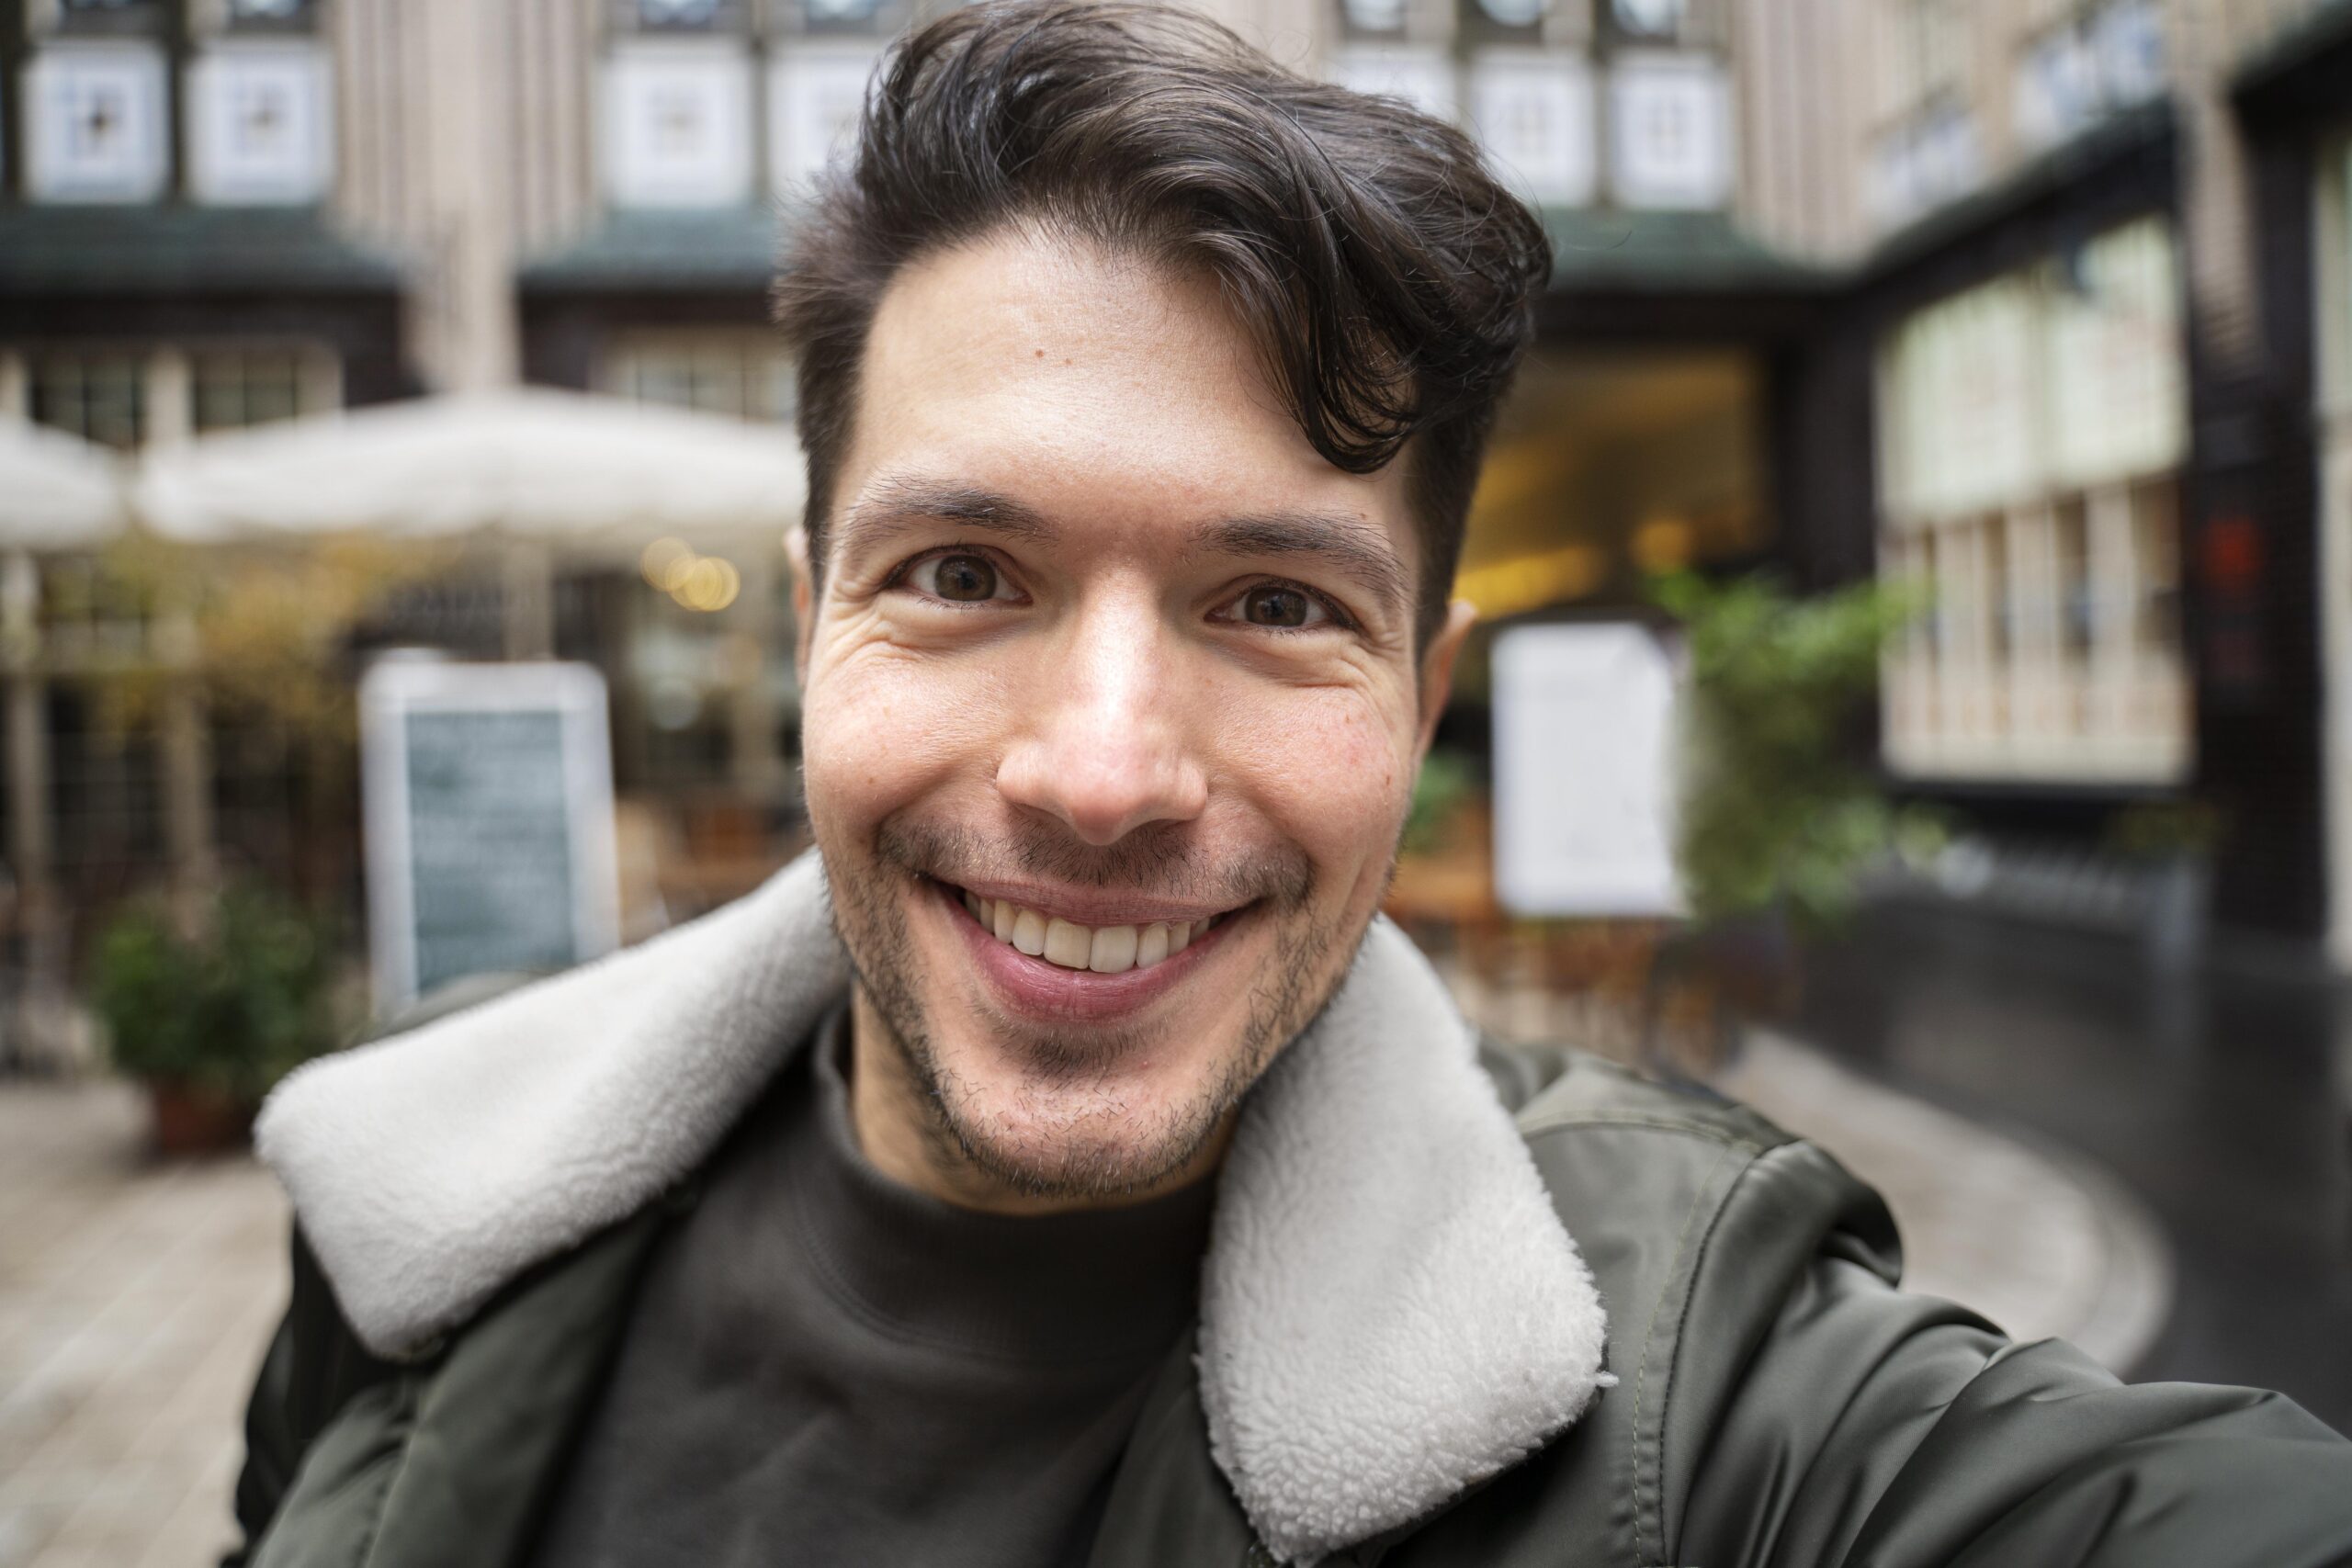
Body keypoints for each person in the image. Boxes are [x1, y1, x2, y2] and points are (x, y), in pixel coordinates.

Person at [225, 5, 2352, 1564]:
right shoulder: (420, 1204)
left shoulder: (1693, 1392)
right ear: (809, 623)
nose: (1101, 771)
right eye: (962, 574)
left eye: (1271, 604)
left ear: (1416, 701)